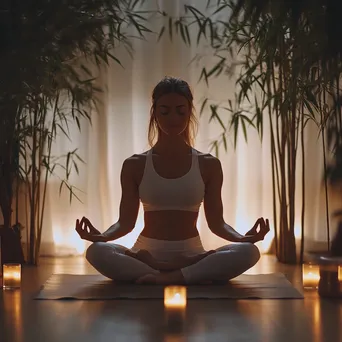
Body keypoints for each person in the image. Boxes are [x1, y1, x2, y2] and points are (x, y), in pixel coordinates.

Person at [75, 76, 270, 285]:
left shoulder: (208, 164)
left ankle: (162, 276)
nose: (173, 118)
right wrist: (102, 237)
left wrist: (242, 239)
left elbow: (217, 224)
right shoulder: (134, 164)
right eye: (165, 111)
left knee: (249, 252)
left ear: (190, 112)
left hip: (191, 252)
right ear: (154, 112)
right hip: (145, 252)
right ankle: (181, 275)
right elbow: (125, 223)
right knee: (96, 251)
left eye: (180, 111)